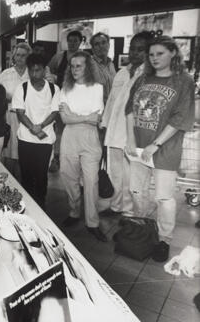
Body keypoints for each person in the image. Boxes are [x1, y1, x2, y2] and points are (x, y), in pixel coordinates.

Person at [125, 35, 195, 262]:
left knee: (164, 197)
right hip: (138, 146)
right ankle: (143, 227)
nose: (154, 58)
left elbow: (181, 116)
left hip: (166, 147)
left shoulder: (183, 80)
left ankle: (164, 239)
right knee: (137, 190)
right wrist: (129, 140)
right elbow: (129, 110)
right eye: (151, 54)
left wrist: (155, 145)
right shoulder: (143, 78)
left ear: (173, 53)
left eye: (160, 53)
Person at [100, 31, 153, 217]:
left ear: (148, 52)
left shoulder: (149, 74)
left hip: (133, 136)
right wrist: (104, 125)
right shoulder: (122, 72)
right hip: (113, 133)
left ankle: (129, 214)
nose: (135, 53)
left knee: (132, 179)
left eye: (141, 50)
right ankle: (115, 207)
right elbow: (111, 103)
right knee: (116, 174)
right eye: (133, 48)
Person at [59, 51, 107, 242]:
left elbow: (97, 120)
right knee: (68, 177)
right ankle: (74, 212)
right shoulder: (65, 88)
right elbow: (64, 118)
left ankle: (93, 223)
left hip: (90, 139)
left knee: (91, 181)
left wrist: (75, 116)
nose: (75, 69)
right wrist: (86, 117)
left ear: (88, 66)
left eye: (79, 65)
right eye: (72, 65)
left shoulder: (97, 88)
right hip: (70, 137)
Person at [12, 53, 60, 208]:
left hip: (45, 140)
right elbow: (20, 112)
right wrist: (32, 127)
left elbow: (54, 112)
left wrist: (40, 126)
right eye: (31, 70)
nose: (34, 74)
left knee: (41, 176)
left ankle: (41, 205)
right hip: (26, 139)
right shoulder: (22, 88)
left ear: (44, 70)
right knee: (26, 175)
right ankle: (26, 206)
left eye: (37, 70)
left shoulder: (53, 89)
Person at [48, 31, 83, 173]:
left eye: (75, 41)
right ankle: (57, 158)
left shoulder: (85, 58)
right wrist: (54, 78)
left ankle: (74, 159)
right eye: (70, 41)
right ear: (67, 42)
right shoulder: (59, 56)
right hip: (61, 97)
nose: (73, 43)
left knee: (75, 130)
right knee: (59, 130)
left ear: (80, 42)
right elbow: (47, 70)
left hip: (77, 100)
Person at [0, 42, 32, 181]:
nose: (20, 58)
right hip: (9, 118)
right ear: (14, 56)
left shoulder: (32, 73)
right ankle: (10, 183)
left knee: (23, 154)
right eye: (18, 55)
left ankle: (24, 186)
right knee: (8, 155)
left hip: (27, 118)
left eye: (23, 55)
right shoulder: (6, 74)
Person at [90, 32, 116, 103]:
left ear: (109, 45)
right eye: (97, 44)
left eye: (104, 42)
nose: (101, 46)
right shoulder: (89, 64)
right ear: (92, 49)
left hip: (110, 108)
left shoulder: (111, 64)